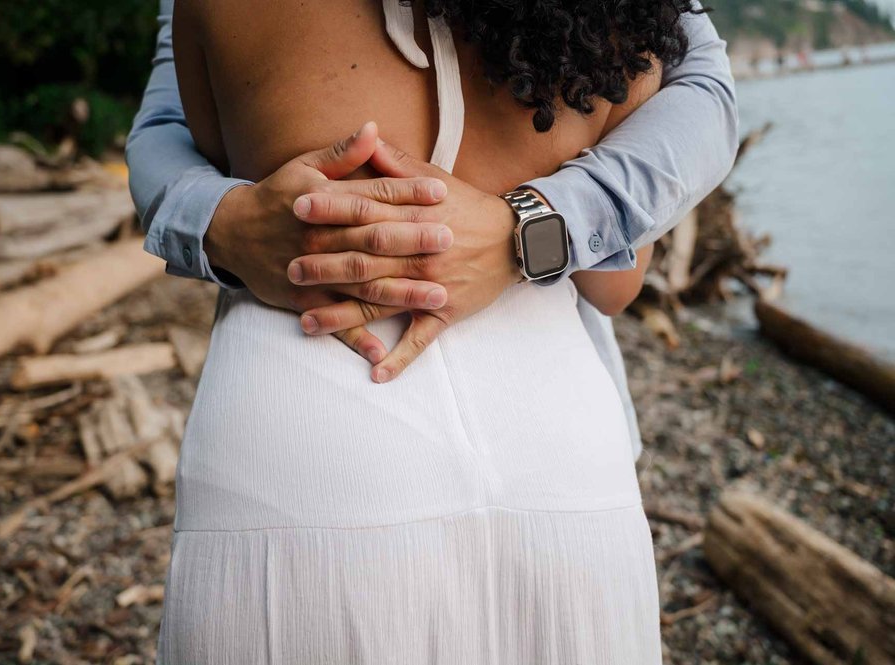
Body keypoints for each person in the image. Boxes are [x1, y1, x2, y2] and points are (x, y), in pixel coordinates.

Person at [126, 0, 739, 661]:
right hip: (563, 462)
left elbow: (190, 133)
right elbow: (615, 282)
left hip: (299, 456)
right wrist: (537, 225)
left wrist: (223, 214)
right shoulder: (621, 23)